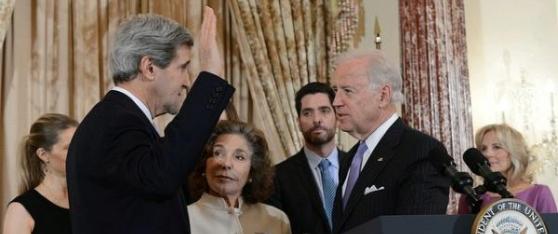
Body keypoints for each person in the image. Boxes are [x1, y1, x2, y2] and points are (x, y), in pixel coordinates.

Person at [65, 7, 235, 234]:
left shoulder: (119, 119)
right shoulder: (116, 122)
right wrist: (211, 79)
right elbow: (162, 176)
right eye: (183, 67)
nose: (187, 81)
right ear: (149, 68)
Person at [330, 49, 450, 232]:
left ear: (383, 96)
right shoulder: (351, 158)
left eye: (347, 91)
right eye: (335, 91)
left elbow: (418, 230)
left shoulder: (420, 151)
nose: (336, 102)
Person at [268, 82, 346, 234]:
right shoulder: (276, 177)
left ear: (336, 116)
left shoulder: (360, 165)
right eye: (307, 113)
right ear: (298, 122)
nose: (317, 119)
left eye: (324, 111)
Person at [187, 120, 291, 234]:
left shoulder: (277, 220)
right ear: (204, 165)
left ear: (252, 172)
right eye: (218, 153)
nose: (226, 164)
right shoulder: (183, 220)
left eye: (239, 157)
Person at [2, 113, 78, 234]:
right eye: (69, 147)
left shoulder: (87, 201)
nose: (79, 153)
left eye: (80, 146)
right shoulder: (21, 210)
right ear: (43, 155)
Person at [458, 124, 557, 214]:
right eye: (483, 149)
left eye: (496, 147)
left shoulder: (539, 193)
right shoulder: (470, 197)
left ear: (514, 152)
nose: (487, 154)